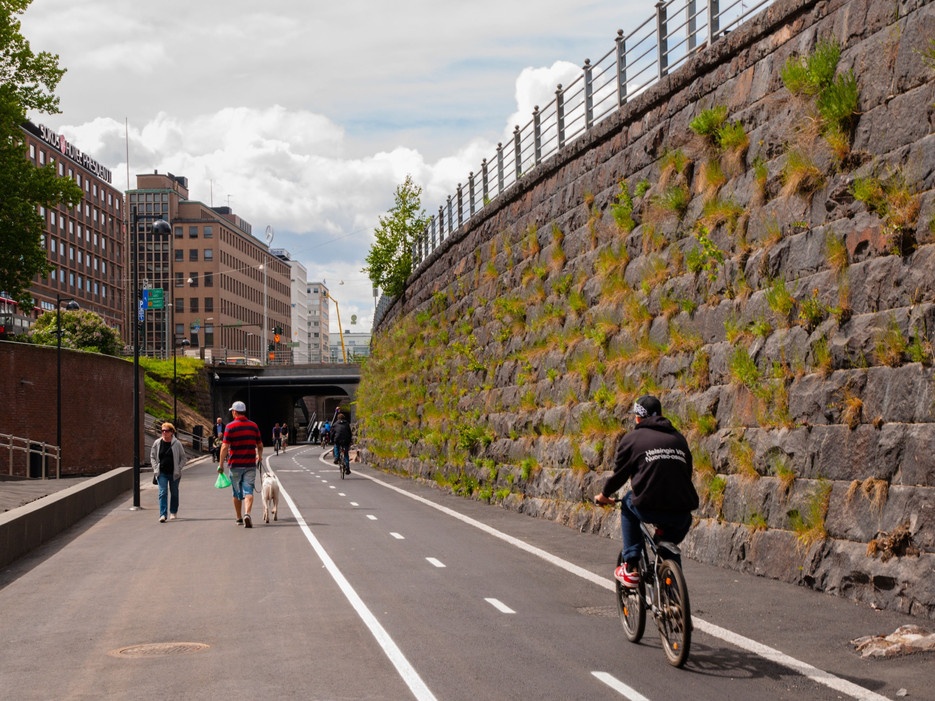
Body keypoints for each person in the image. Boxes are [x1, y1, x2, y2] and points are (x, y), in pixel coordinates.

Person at [594, 395, 699, 588]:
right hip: (682, 513)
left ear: (638, 417)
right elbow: (686, 473)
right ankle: (673, 597)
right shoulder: (679, 438)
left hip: (648, 506)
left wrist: (604, 495)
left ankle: (631, 565)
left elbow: (620, 475)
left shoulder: (633, 439)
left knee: (627, 503)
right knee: (667, 545)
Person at [218, 401, 263, 528]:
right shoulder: (253, 426)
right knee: (248, 490)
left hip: (235, 465)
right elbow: (259, 445)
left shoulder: (230, 427)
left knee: (236, 492)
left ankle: (238, 517)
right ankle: (247, 514)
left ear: (234, 412)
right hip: (250, 465)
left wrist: (221, 464)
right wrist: (259, 456)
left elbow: (225, 447)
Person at [150, 422, 187, 523]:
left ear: (171, 432)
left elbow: (183, 458)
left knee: (174, 493)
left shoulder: (177, 443)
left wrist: (179, 468)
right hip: (161, 473)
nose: (164, 433)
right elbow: (152, 456)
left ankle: (173, 511)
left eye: (166, 431)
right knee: (163, 493)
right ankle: (163, 514)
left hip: (174, 473)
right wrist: (155, 468)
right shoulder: (157, 443)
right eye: (162, 431)